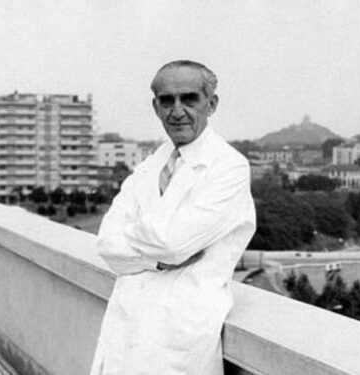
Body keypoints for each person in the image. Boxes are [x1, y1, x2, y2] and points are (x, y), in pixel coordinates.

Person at [89, 60, 256, 375]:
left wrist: (139, 239)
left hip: (180, 333)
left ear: (212, 103)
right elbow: (107, 243)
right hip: (127, 325)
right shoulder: (152, 163)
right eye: (167, 100)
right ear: (156, 107)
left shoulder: (229, 167)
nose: (177, 110)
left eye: (189, 98)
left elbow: (173, 244)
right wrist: (157, 257)